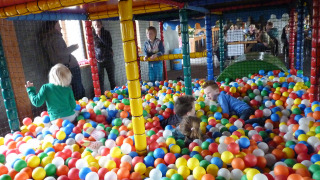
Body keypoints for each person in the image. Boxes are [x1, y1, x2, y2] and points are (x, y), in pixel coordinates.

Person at [41, 21, 85, 100]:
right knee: (78, 88)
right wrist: (73, 47)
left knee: (68, 89)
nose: (60, 28)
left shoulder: (46, 39)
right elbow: (61, 52)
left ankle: (76, 105)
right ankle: (81, 106)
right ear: (53, 27)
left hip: (61, 67)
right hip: (69, 66)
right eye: (58, 25)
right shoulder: (55, 38)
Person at [92, 20, 116, 92]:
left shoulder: (106, 33)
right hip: (99, 60)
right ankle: (101, 96)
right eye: (95, 25)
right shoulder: (92, 35)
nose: (97, 27)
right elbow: (94, 47)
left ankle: (115, 94)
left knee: (112, 79)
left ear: (101, 25)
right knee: (100, 81)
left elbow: (109, 44)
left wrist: (100, 36)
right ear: (93, 26)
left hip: (108, 59)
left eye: (98, 25)